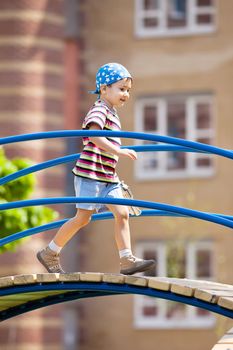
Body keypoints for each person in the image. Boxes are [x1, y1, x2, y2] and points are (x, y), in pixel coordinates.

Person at [37, 62, 155, 275]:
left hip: (108, 176)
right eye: (121, 89)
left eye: (128, 90)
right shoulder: (100, 108)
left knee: (122, 213)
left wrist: (117, 153)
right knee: (83, 218)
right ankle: (50, 251)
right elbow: (94, 135)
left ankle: (126, 259)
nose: (126, 94)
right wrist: (119, 151)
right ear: (104, 89)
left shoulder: (112, 112)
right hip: (90, 174)